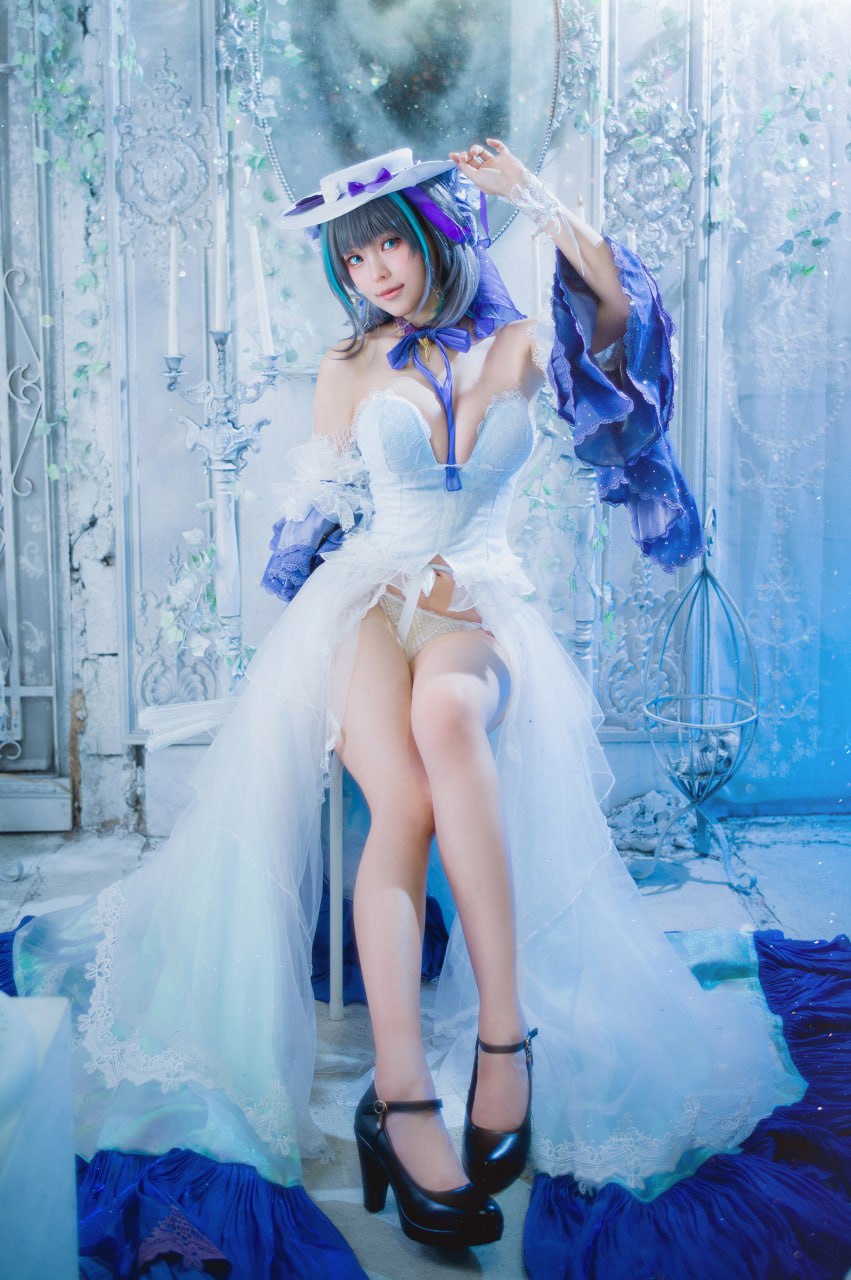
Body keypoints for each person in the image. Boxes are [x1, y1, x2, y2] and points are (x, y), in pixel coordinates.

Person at [3, 141, 829, 1275]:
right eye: (352, 258)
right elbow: (319, 508)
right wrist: (310, 598)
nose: (373, 272)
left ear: (435, 234)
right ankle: (400, 1095)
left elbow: (621, 308)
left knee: (448, 719)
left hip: (476, 603)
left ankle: (502, 1038)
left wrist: (529, 196)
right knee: (400, 800)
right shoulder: (348, 363)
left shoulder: (519, 345)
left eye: (387, 241)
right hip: (363, 604)